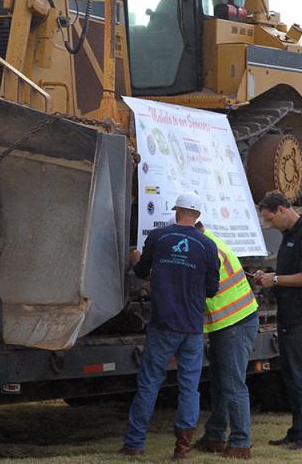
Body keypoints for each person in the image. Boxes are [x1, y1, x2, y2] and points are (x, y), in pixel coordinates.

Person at [120, 192, 220, 459]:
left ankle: (134, 443)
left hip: (163, 323)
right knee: (189, 387)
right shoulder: (208, 246)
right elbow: (212, 289)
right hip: (192, 327)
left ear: (177, 211)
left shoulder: (158, 238)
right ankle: (182, 448)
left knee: (150, 383)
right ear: (197, 215)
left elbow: (140, 272)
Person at [253, 191, 302, 451]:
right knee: (292, 378)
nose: (270, 225)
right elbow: (289, 273)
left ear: (283, 209)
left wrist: (277, 280)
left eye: (271, 219)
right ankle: (298, 431)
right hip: (287, 317)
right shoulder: (289, 236)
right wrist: (269, 275)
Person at [192, 221, 259, 459]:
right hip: (232, 320)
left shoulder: (204, 249)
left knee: (232, 384)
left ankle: (241, 443)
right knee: (222, 381)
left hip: (235, 321)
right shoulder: (209, 240)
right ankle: (215, 436)